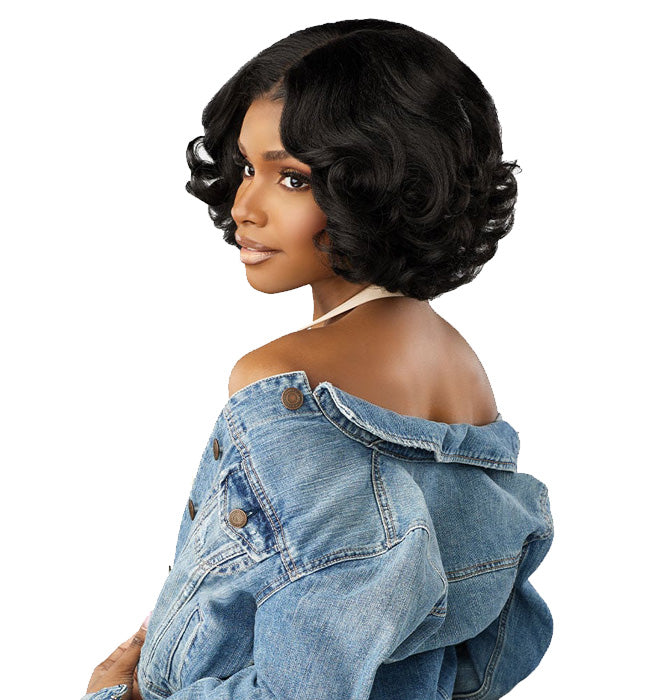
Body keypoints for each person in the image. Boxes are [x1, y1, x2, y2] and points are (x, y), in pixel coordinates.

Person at [82, 18, 553, 700]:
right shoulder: (461, 369)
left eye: (292, 179)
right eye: (247, 168)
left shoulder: (286, 381)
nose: (244, 206)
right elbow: (487, 650)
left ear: (383, 184)